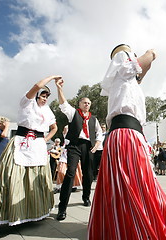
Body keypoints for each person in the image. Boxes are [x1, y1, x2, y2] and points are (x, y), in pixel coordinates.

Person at [88, 44, 166, 239]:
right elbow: (137, 65)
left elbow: (140, 72)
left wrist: (146, 60)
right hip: (125, 135)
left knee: (134, 187)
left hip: (131, 134)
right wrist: (151, 52)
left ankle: (129, 228)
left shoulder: (128, 82)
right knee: (134, 187)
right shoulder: (123, 62)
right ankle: (134, 230)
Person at [0, 75, 60, 238]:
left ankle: (33, 213)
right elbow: (36, 85)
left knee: (38, 180)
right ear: (36, 95)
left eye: (47, 96)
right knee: (9, 178)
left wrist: (44, 140)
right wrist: (53, 77)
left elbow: (54, 127)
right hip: (20, 143)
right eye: (43, 94)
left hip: (38, 147)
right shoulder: (26, 102)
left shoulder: (47, 110)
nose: (45, 98)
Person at [55, 81, 103, 221]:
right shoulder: (73, 114)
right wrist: (59, 89)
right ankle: (62, 208)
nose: (87, 104)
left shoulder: (94, 119)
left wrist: (97, 143)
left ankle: (86, 197)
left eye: (88, 103)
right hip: (75, 146)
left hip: (88, 147)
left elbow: (99, 133)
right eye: (84, 103)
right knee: (70, 174)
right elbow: (63, 104)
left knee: (88, 174)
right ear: (80, 104)